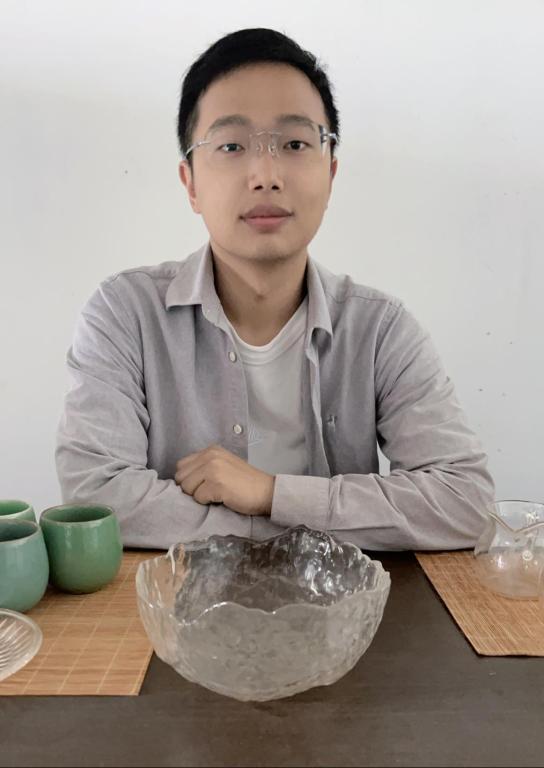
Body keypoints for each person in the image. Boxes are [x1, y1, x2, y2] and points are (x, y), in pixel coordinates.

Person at [55, 27, 495, 551]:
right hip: (178, 600)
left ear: (330, 174)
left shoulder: (380, 329)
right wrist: (289, 527)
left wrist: (269, 493)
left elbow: (464, 500)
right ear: (190, 183)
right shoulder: (125, 314)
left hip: (343, 601)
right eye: (231, 145)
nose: (265, 174)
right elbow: (97, 497)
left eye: (294, 144)